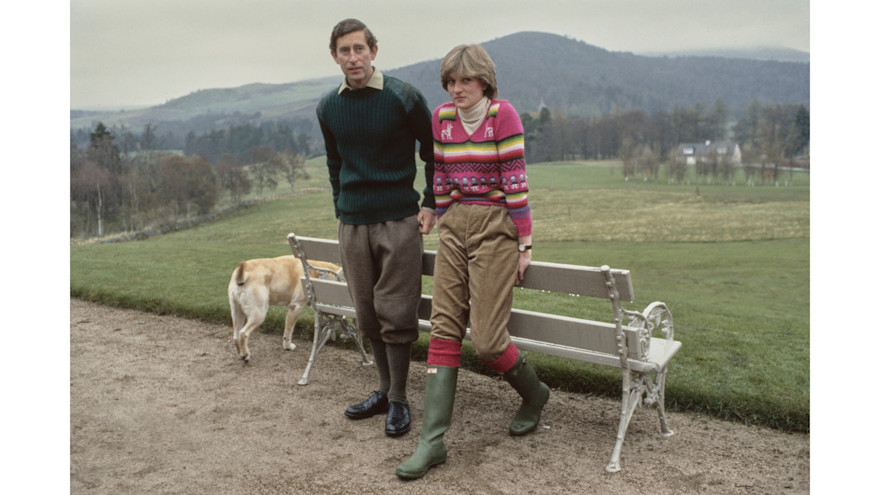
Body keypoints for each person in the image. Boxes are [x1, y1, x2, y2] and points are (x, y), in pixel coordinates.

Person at [396, 44, 548, 479]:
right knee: (443, 327)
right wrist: (445, 219)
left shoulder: (503, 116)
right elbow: (442, 175)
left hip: (496, 226)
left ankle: (535, 394)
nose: (456, 89)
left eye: (465, 80)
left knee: (486, 341)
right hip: (455, 225)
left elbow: (515, 183)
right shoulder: (442, 118)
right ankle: (432, 442)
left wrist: (524, 244)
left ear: (484, 81)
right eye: (450, 81)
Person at [315, 18, 436, 438]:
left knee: (397, 311)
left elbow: (433, 150)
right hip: (352, 223)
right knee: (367, 313)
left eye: (359, 49)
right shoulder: (328, 107)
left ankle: (400, 398)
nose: (353, 58)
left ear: (374, 51)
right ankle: (383, 390)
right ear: (335, 56)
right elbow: (334, 163)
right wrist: (340, 205)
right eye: (344, 51)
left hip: (398, 220)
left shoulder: (404, 97)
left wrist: (431, 202)